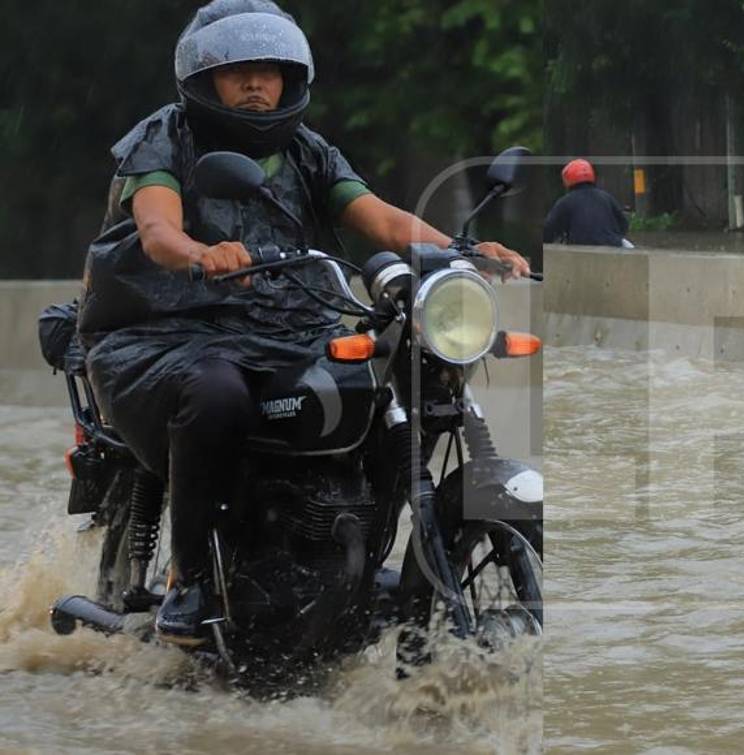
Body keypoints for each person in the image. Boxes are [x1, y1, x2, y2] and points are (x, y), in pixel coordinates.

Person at [78, 0, 529, 644]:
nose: (258, 84)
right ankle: (191, 577)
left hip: (282, 324)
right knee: (217, 394)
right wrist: (200, 254)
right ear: (207, 82)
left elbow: (378, 217)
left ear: (292, 79)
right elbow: (155, 227)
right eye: (240, 72)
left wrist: (464, 252)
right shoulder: (165, 139)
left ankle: (351, 556)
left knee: (385, 376)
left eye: (271, 71)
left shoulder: (307, 151)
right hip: (163, 330)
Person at [543, 159, 630, 247]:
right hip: (612, 250)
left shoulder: (565, 202)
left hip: (579, 253)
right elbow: (623, 224)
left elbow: (548, 230)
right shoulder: (606, 197)